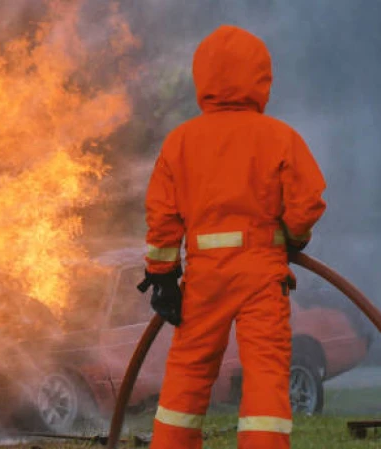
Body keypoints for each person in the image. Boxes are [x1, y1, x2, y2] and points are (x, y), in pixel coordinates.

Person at [140, 25, 326, 449]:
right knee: (265, 380)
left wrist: (164, 276)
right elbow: (307, 203)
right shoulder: (279, 137)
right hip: (261, 276)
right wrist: (293, 237)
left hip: (203, 280)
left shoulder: (179, 142)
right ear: (261, 78)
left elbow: (163, 217)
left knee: (186, 379)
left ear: (201, 77)